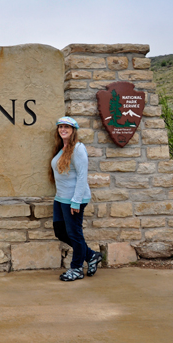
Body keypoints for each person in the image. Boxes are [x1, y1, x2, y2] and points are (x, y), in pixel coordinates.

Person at [50, 116, 102, 281]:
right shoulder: (62, 147)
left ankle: (77, 269)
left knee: (75, 234)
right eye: (60, 127)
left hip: (74, 199)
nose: (63, 129)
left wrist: (76, 201)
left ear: (73, 130)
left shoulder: (78, 148)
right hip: (60, 199)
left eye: (67, 127)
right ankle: (91, 255)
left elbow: (82, 176)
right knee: (60, 231)